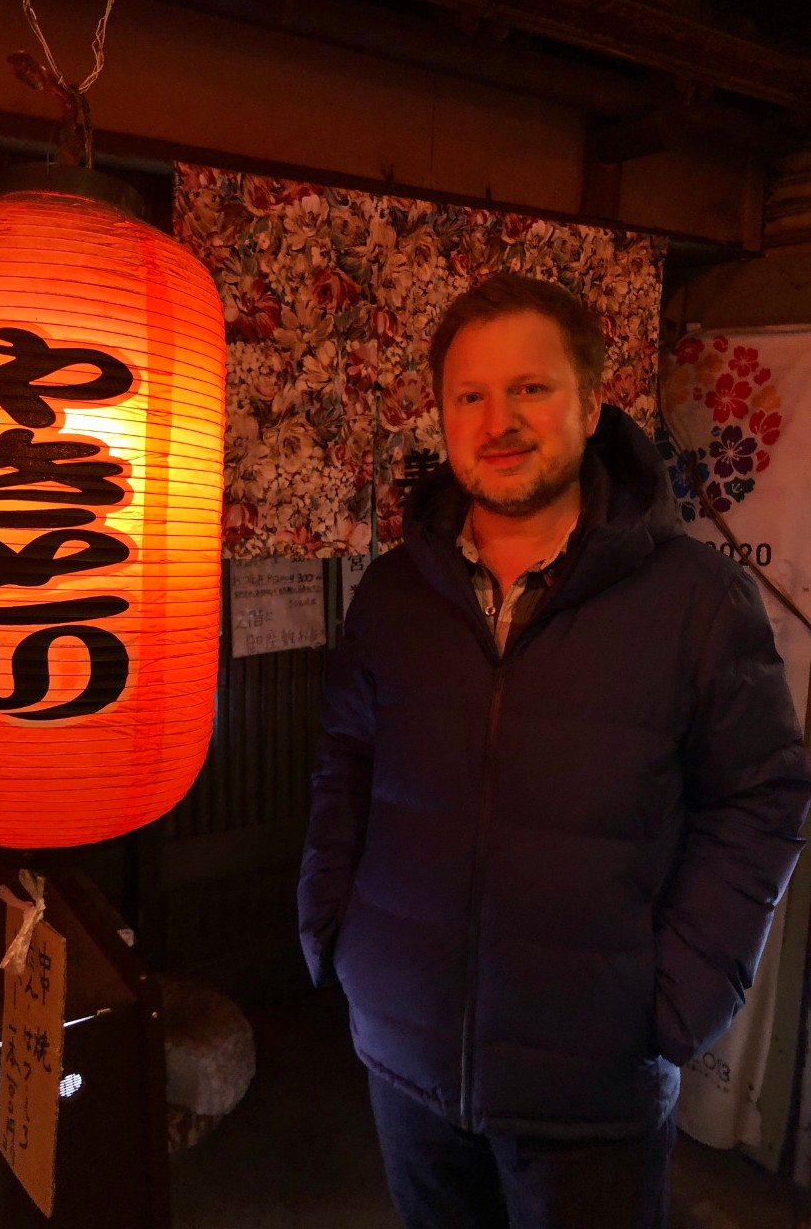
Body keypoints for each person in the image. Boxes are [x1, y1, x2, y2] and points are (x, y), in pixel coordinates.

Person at [297, 273, 810, 1229]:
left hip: (596, 1084)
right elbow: (346, 762)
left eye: (530, 388)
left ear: (592, 402)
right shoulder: (394, 596)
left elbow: (764, 795)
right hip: (403, 1053)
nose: (500, 421)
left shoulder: (696, 597)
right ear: (443, 415)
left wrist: (679, 999)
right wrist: (334, 927)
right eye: (470, 396)